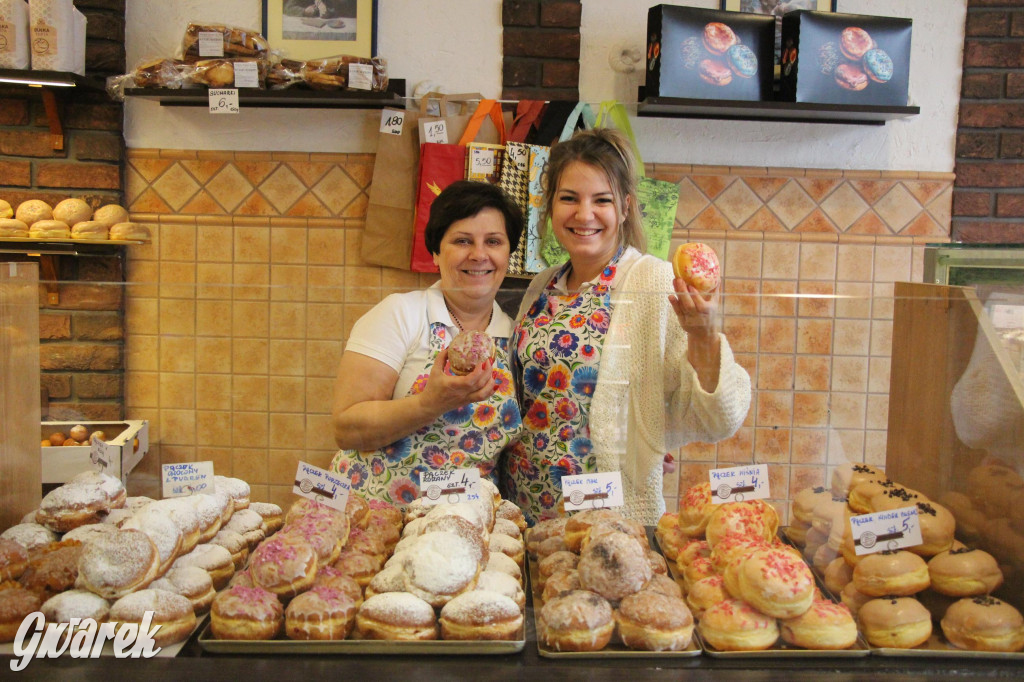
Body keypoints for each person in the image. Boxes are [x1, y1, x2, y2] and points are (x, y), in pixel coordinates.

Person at [500, 128, 752, 525]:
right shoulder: (541, 285)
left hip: (606, 515)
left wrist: (704, 333)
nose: (584, 215)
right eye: (569, 198)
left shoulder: (653, 282)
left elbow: (719, 417)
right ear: (550, 208)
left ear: (625, 207)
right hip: (524, 505)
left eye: (602, 200)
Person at [330, 181, 524, 507]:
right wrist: (429, 403)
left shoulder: (514, 336)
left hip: (465, 525)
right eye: (462, 241)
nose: (479, 254)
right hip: (375, 519)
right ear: (435, 251)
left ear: (508, 253)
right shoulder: (400, 314)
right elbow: (347, 429)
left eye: (493, 241)